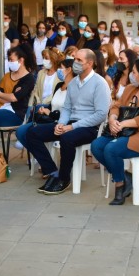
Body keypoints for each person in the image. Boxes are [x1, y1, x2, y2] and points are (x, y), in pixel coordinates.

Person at [24, 49, 111, 195]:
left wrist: (71, 127)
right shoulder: (74, 83)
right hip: (69, 123)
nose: (74, 63)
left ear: (89, 64)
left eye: (79, 60)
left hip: (90, 127)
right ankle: (52, 172)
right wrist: (61, 123)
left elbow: (101, 115)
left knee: (67, 138)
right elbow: (67, 108)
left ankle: (64, 179)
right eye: (75, 59)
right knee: (32, 132)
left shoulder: (99, 83)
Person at [92, 58, 139, 205]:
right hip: (124, 131)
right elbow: (116, 106)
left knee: (111, 149)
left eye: (134, 72)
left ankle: (120, 186)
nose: (131, 75)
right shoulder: (130, 88)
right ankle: (125, 176)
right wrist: (113, 119)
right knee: (96, 146)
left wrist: (122, 124)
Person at [16, 55, 70, 152]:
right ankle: (39, 153)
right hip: (49, 117)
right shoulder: (59, 85)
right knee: (20, 131)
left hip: (59, 122)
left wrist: (48, 112)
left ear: (69, 70)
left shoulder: (73, 88)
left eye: (61, 68)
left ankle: (42, 155)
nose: (59, 71)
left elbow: (66, 112)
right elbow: (52, 104)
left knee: (32, 132)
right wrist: (44, 110)